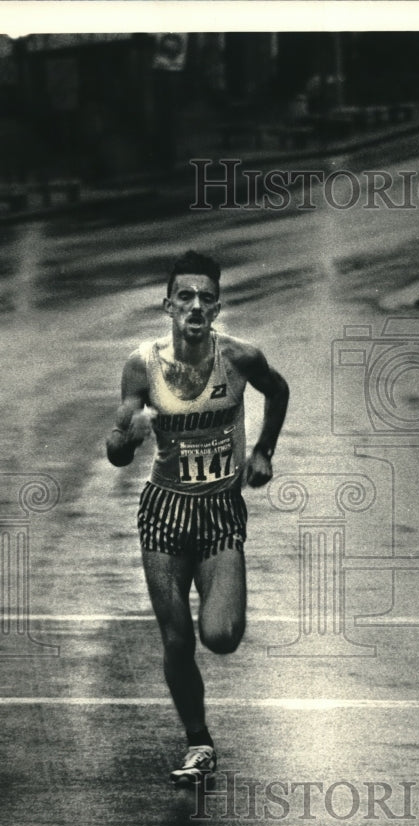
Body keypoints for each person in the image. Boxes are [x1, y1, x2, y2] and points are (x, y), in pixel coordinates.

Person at [106, 250, 289, 784]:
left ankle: (201, 727)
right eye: (184, 296)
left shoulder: (240, 357)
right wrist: (124, 434)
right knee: (178, 640)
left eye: (205, 297)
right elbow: (118, 451)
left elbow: (278, 391)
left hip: (220, 511)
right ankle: (199, 742)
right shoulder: (143, 363)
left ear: (217, 305)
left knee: (222, 635)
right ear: (168, 304)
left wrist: (263, 451)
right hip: (164, 511)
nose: (195, 306)